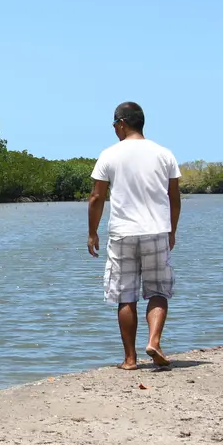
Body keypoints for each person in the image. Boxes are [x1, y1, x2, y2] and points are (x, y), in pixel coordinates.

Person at [86, 101, 181, 370]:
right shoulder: (164, 154)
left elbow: (96, 197)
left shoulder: (109, 155)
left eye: (115, 124)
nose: (115, 129)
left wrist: (92, 232)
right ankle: (154, 341)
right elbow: (174, 198)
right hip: (156, 230)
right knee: (158, 291)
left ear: (122, 123)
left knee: (125, 296)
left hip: (122, 234)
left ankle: (130, 360)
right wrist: (172, 231)